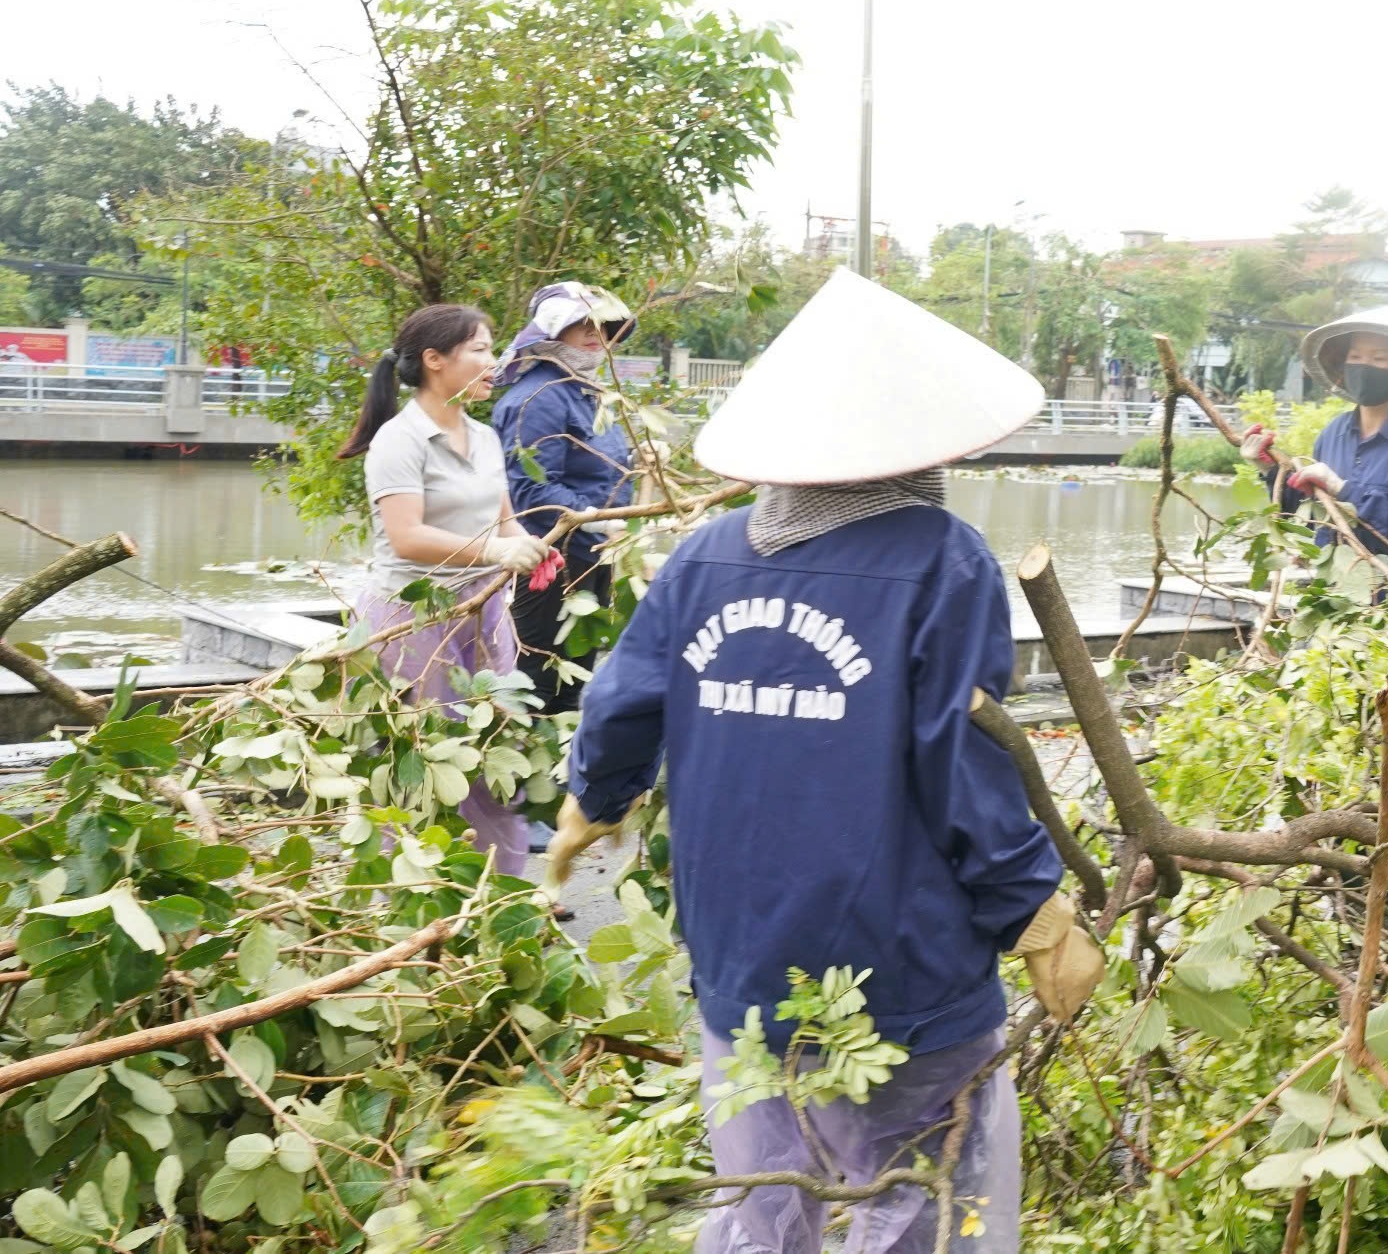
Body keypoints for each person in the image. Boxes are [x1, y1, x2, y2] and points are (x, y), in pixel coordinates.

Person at [548, 270, 1104, 1254]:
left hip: (741, 964)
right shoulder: (944, 561)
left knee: (763, 1200)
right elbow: (962, 766)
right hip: (901, 974)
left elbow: (622, 704)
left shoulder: (704, 555)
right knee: (917, 1204)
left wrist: (592, 802)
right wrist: (1035, 912)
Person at [338, 304, 557, 878]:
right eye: (481, 349)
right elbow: (407, 537)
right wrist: (493, 552)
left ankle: (501, 892)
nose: (495, 361)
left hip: (482, 611)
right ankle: (404, 901)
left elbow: (503, 521)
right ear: (434, 361)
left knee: (495, 751)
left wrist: (532, 545)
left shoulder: (484, 436)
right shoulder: (399, 439)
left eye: (493, 348)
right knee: (420, 757)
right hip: (413, 619)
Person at [1240, 303, 1388, 748]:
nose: (1366, 366)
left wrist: (1345, 488)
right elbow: (1313, 515)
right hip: (1342, 615)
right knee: (1345, 739)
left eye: (1381, 358)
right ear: (1342, 366)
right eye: (1357, 357)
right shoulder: (1334, 434)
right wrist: (1270, 470)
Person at [490, 282, 638, 719]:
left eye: (604, 325)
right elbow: (531, 490)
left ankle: (565, 778)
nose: (597, 333)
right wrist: (597, 520)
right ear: (554, 330)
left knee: (577, 680)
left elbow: (600, 468)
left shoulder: (586, 389)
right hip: (548, 564)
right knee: (536, 686)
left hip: (593, 557)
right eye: (583, 324)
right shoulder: (539, 397)